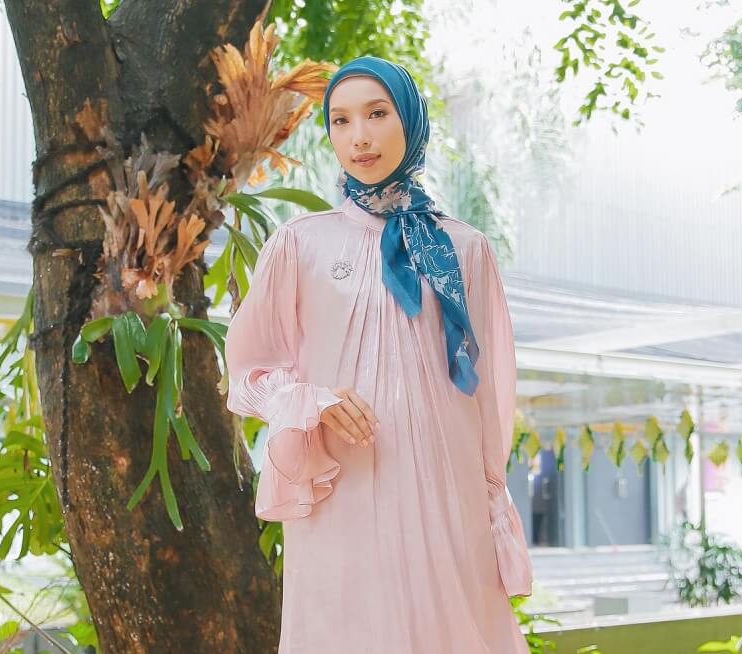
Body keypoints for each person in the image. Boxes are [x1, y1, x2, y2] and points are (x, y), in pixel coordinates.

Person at [224, 54, 533, 654]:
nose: (359, 136)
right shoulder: (299, 245)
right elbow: (249, 371)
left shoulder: (465, 249)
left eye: (377, 113)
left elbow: (489, 393)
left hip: (448, 491)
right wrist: (312, 401)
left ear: (410, 121)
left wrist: (491, 497)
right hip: (345, 482)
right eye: (340, 120)